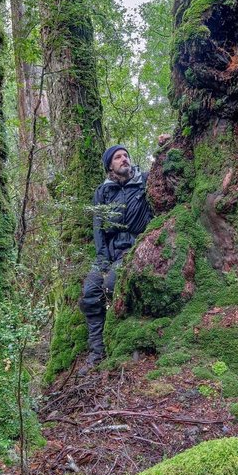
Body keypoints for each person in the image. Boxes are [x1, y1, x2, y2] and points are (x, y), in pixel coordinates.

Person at [79, 144, 153, 370]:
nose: (124, 159)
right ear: (109, 165)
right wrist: (102, 258)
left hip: (135, 247)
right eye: (118, 157)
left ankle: (127, 344)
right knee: (90, 293)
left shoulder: (145, 181)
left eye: (126, 156)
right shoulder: (103, 192)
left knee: (112, 285)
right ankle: (97, 351)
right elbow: (98, 228)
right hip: (109, 252)